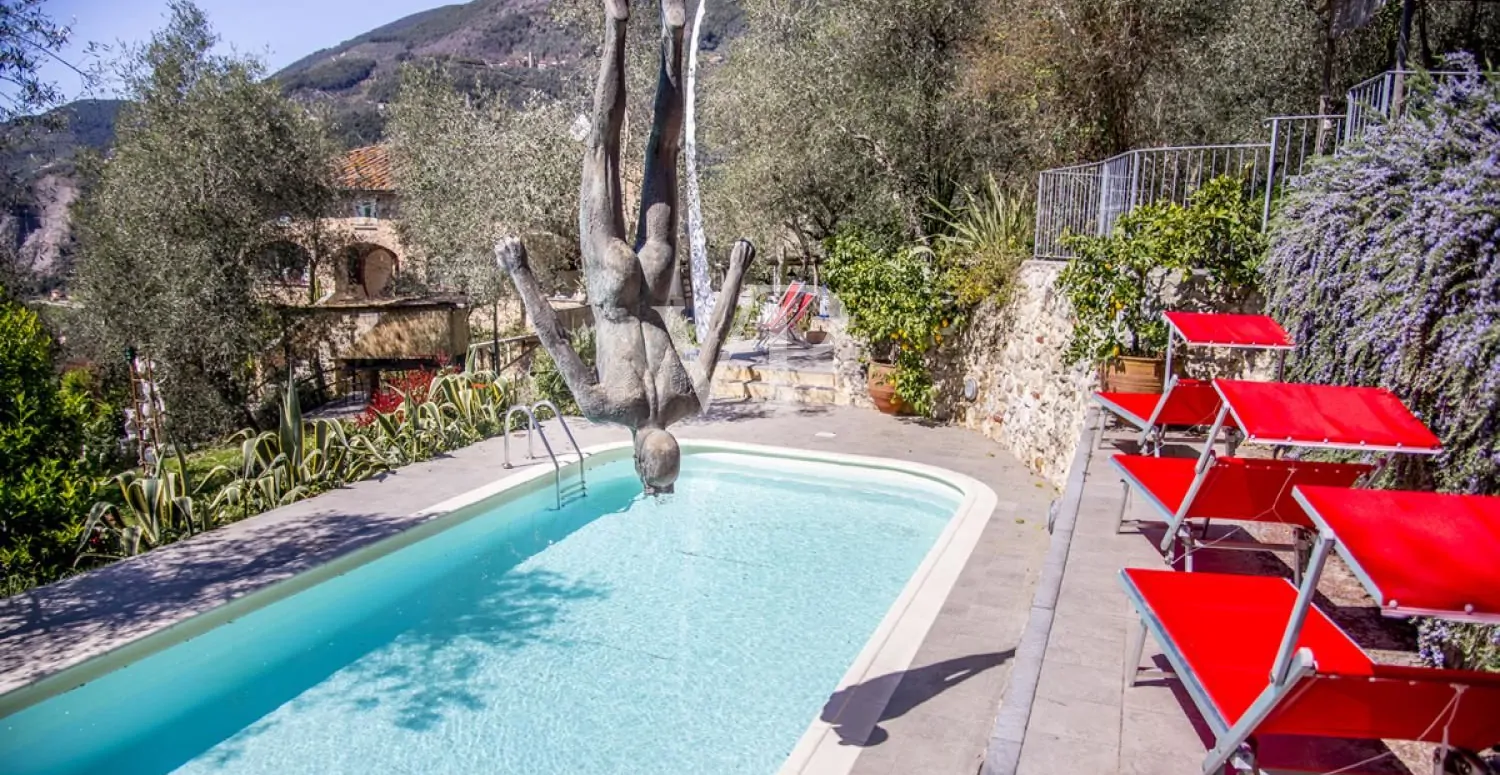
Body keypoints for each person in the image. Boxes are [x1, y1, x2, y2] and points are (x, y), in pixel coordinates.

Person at [497, 0, 753, 494]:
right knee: (603, 148)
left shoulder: (690, 401)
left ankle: (673, 39)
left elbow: (718, 333)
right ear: (637, 461)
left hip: (655, 277)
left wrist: (737, 272)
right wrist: (520, 272)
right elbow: (555, 339)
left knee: (664, 149)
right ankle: (615, 28)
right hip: (612, 291)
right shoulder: (603, 408)